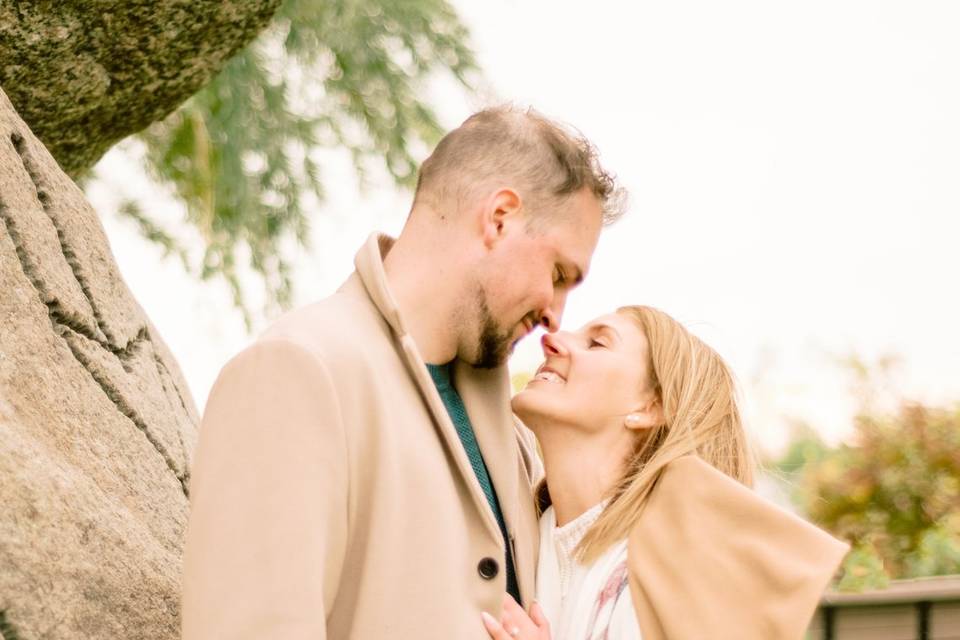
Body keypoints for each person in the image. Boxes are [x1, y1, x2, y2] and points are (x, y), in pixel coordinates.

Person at [180, 106, 626, 639]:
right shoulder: (295, 371)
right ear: (500, 217)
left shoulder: (516, 439)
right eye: (557, 274)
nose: (557, 314)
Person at [482, 306, 849, 640]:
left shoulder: (682, 577)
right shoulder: (515, 539)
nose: (552, 338)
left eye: (597, 343)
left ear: (650, 406)